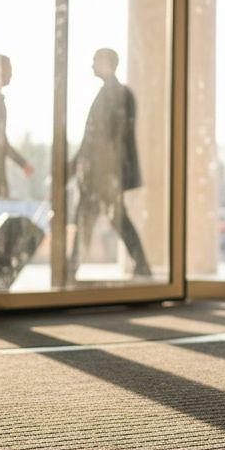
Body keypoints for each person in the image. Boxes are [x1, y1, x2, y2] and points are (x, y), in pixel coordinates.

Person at [68, 48, 151, 279]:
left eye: (95, 60)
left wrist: (108, 173)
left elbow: (113, 139)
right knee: (105, 219)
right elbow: (93, 139)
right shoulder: (109, 93)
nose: (92, 65)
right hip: (102, 173)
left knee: (97, 218)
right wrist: (74, 165)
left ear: (107, 63)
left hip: (104, 175)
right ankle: (72, 267)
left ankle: (71, 268)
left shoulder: (117, 94)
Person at [0, 54, 34, 200]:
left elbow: (0, 142)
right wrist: (23, 163)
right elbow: (0, 142)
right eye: (9, 69)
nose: (12, 74)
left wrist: (22, 163)